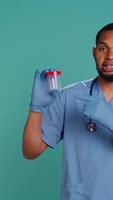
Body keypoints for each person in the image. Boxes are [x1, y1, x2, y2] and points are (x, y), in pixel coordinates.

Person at [22, 23, 113, 200]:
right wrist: (36, 109)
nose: (110, 56)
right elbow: (30, 151)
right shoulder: (70, 96)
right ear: (94, 52)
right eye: (103, 48)